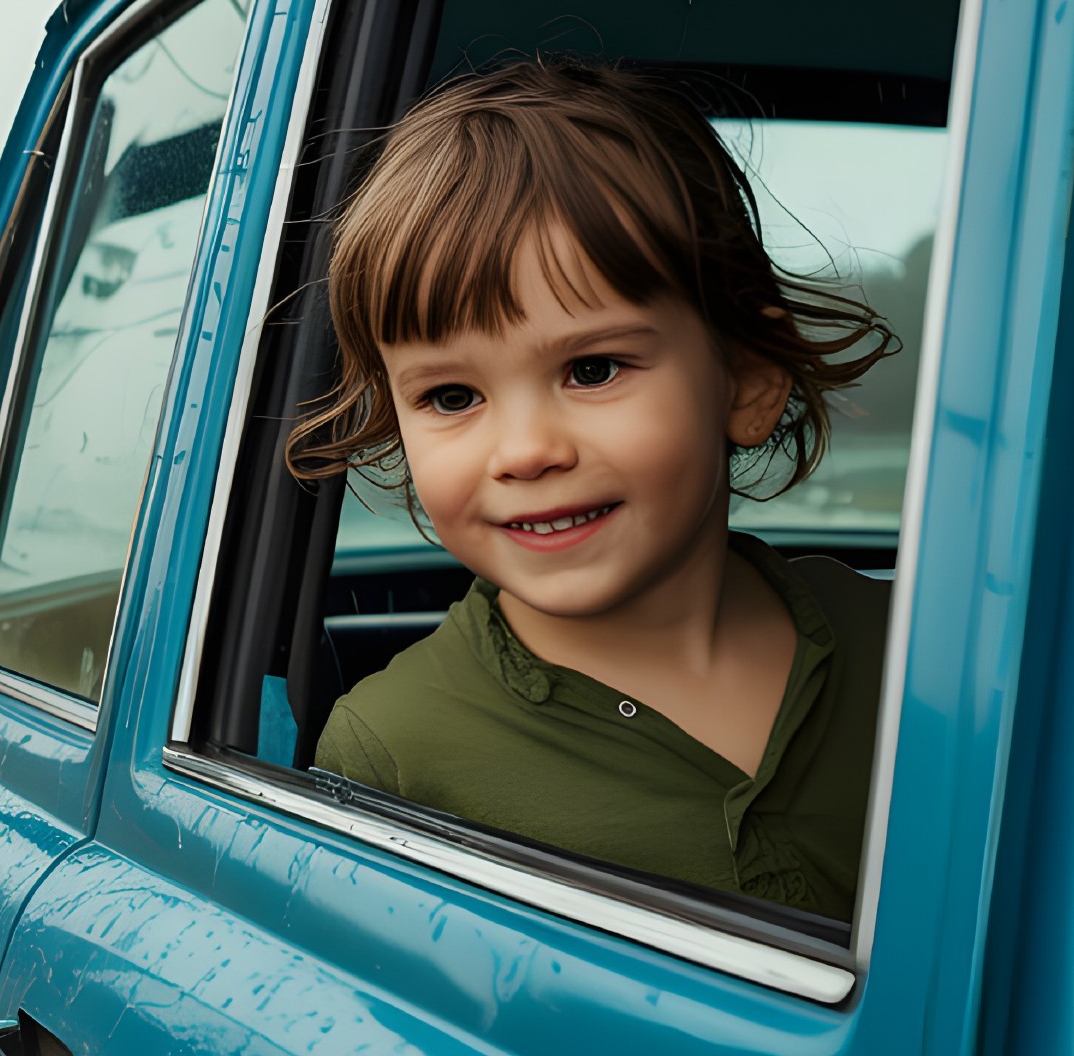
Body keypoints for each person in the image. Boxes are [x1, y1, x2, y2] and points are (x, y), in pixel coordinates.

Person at [289, 59, 895, 920]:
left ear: (749, 380)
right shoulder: (392, 750)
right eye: (452, 397)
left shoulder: (912, 658)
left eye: (593, 368)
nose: (527, 451)